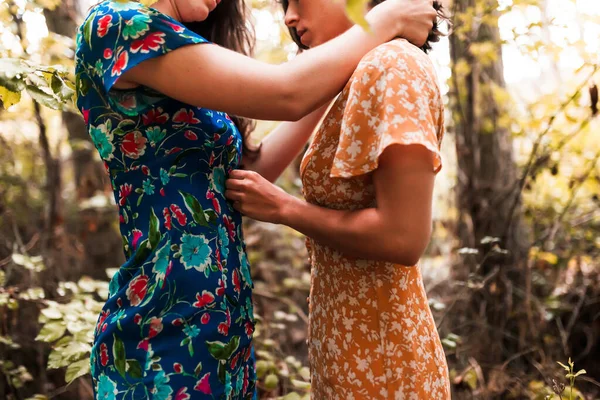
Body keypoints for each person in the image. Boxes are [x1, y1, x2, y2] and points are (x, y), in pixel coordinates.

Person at [74, 0, 438, 398]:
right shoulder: (117, 25)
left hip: (224, 333)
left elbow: (247, 173)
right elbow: (287, 92)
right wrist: (386, 17)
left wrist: (339, 64)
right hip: (163, 326)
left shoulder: (188, 51)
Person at [224, 0, 451, 398]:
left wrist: (285, 208)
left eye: (297, 0)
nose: (290, 17)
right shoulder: (360, 74)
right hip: (349, 354)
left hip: (385, 360)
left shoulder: (394, 67)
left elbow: (405, 237)